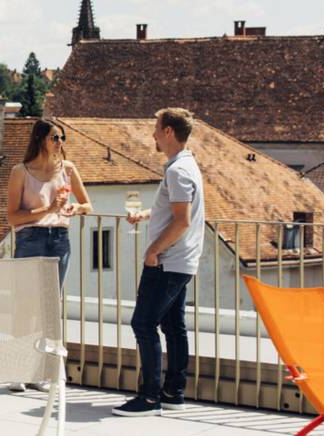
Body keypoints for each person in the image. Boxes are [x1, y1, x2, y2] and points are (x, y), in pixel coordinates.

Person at [113, 107, 206, 417]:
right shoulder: (187, 165)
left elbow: (182, 221)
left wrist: (153, 250)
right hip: (182, 261)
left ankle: (149, 398)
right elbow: (177, 212)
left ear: (168, 132)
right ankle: (173, 392)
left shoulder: (178, 170)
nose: (152, 134)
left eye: (156, 128)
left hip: (167, 261)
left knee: (143, 323)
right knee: (173, 326)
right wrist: (147, 215)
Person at [5, 117, 90, 392]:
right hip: (30, 238)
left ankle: (42, 370)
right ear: (40, 139)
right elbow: (12, 217)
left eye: (62, 137)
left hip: (59, 238)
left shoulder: (68, 169)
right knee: (25, 306)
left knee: (48, 306)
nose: (60, 142)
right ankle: (18, 368)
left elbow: (87, 204)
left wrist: (73, 209)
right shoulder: (21, 171)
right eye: (55, 137)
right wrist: (48, 208)